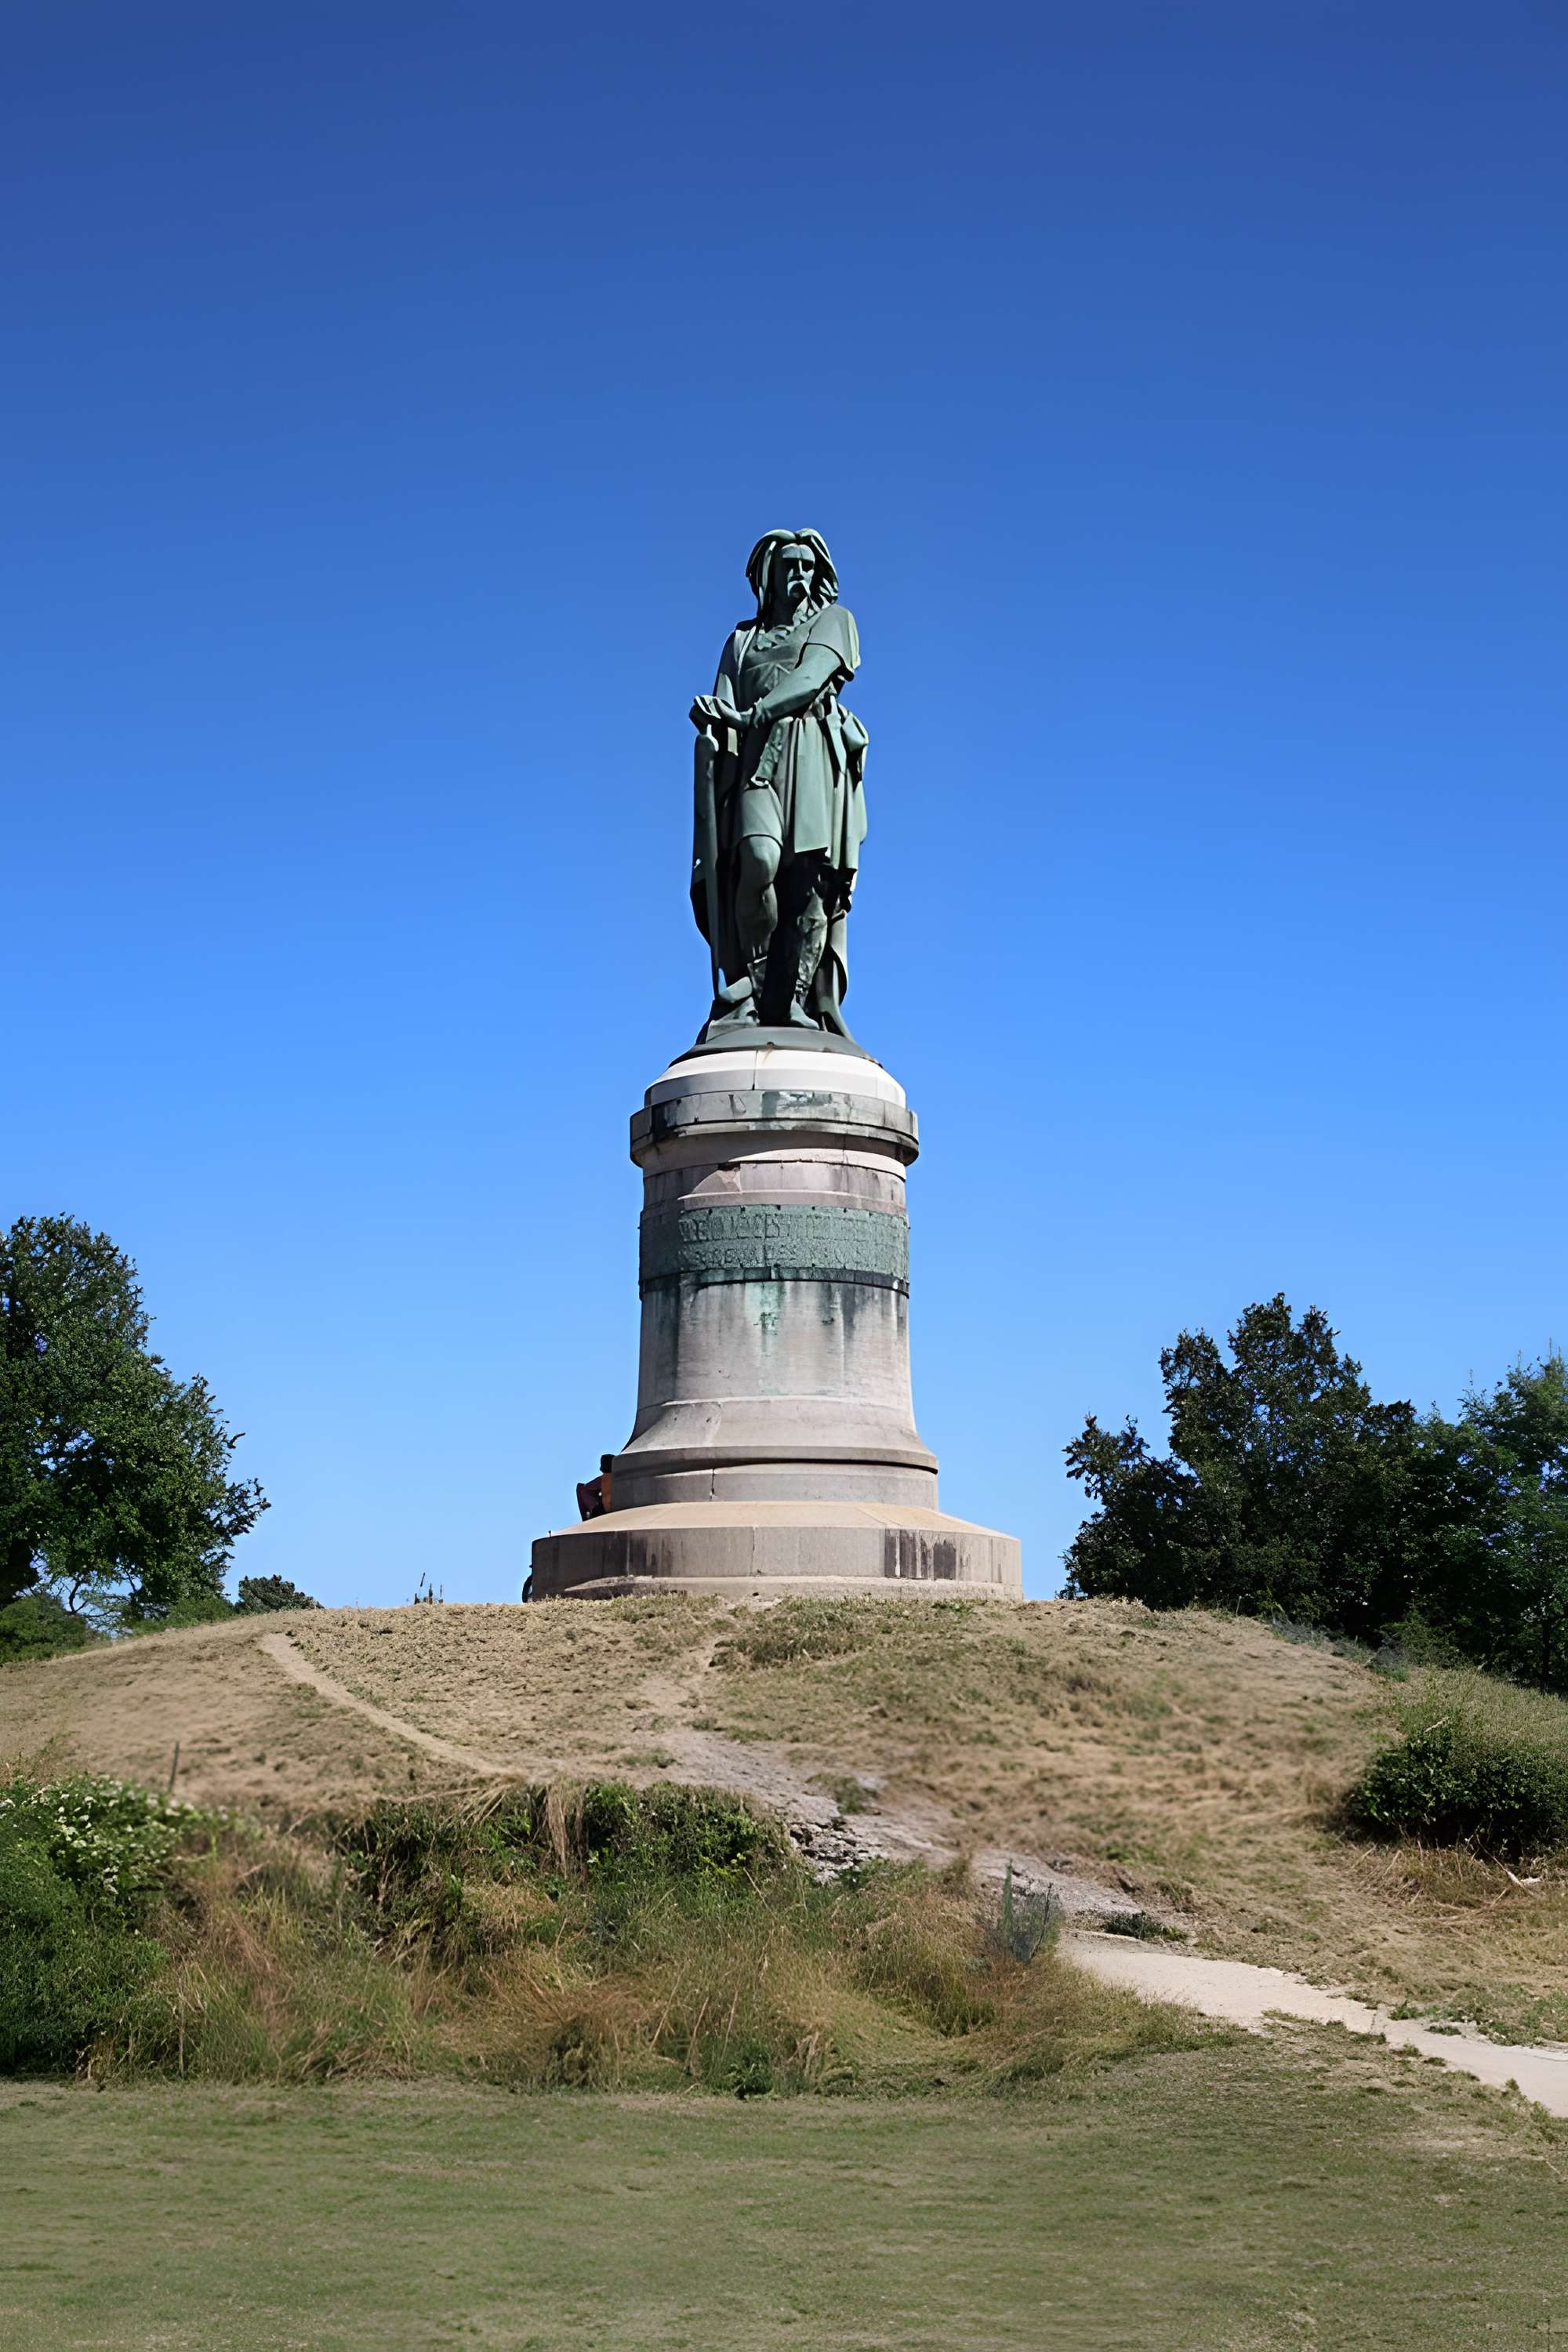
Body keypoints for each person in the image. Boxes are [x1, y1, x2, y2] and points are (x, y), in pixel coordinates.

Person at [689, 529, 868, 1036]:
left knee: (809, 884)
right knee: (758, 860)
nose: (799, 576)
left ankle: (791, 998)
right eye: (789, 566)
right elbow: (724, 698)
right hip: (755, 762)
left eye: (807, 567)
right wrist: (713, 719)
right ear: (767, 576)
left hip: (811, 754)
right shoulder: (742, 640)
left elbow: (811, 678)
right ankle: (753, 983)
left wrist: (751, 715)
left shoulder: (835, 621)